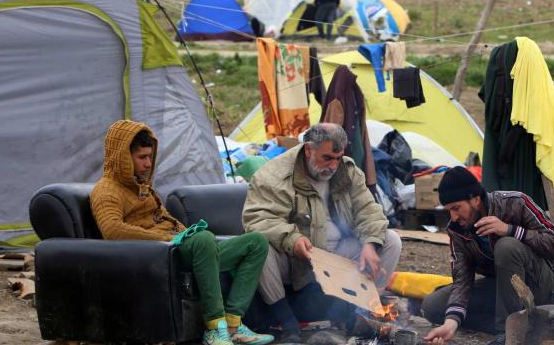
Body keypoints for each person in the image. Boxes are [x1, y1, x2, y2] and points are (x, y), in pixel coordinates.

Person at [90, 120, 274, 345]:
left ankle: (234, 324)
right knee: (203, 239)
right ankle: (215, 328)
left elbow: (167, 220)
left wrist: (186, 234)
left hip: (182, 247)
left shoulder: (142, 188)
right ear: (122, 157)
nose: (149, 164)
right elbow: (112, 230)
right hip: (160, 255)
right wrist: (169, 239)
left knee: (256, 242)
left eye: (150, 157)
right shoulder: (106, 190)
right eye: (142, 158)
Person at [243, 123, 401, 343]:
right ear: (309, 149)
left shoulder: (347, 170)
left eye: (338, 157)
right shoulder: (275, 175)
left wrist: (370, 243)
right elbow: (258, 219)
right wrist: (293, 239)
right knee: (259, 247)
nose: (334, 165)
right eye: (327, 158)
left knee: (391, 240)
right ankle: (288, 324)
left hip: (338, 254)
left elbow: (368, 210)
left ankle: (361, 314)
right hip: (296, 258)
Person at [421, 167, 554, 345]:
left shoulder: (516, 203)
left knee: (506, 246)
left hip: (544, 286)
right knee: (433, 307)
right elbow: (462, 280)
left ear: (475, 199)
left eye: (457, 208)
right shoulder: (457, 229)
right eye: (449, 210)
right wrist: (451, 323)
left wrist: (510, 230)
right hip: (503, 290)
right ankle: (526, 324)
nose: (453, 216)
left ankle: (506, 333)